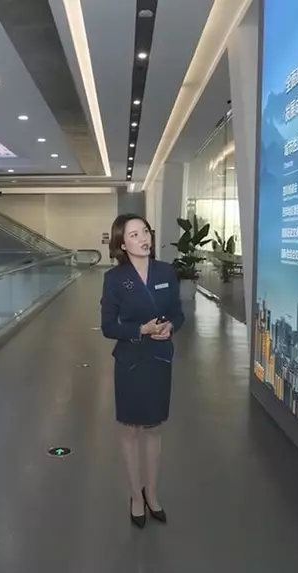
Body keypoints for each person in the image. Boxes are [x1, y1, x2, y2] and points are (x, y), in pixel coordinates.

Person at [100, 214, 185, 529]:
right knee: (130, 430)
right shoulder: (115, 278)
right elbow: (108, 326)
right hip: (131, 361)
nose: (143, 238)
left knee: (153, 429)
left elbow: (178, 313)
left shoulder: (166, 272)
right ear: (122, 244)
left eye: (145, 231)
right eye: (134, 235)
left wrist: (170, 328)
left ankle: (152, 493)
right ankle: (135, 495)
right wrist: (141, 330)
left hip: (159, 359)